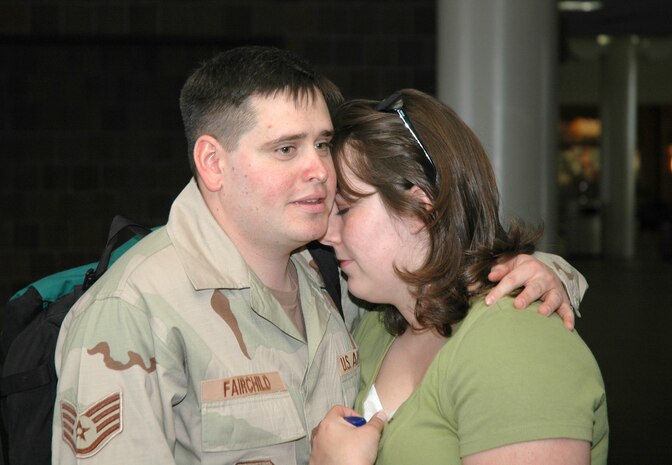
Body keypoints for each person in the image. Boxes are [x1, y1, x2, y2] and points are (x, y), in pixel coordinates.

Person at [51, 47, 584, 465]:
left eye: (323, 144)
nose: (319, 172)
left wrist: (542, 274)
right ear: (212, 163)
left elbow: (441, 291)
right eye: (287, 149)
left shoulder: (332, 282)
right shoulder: (131, 315)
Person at [310, 89, 608, 465]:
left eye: (345, 209)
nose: (326, 234)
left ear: (420, 205)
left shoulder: (515, 344)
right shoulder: (375, 326)